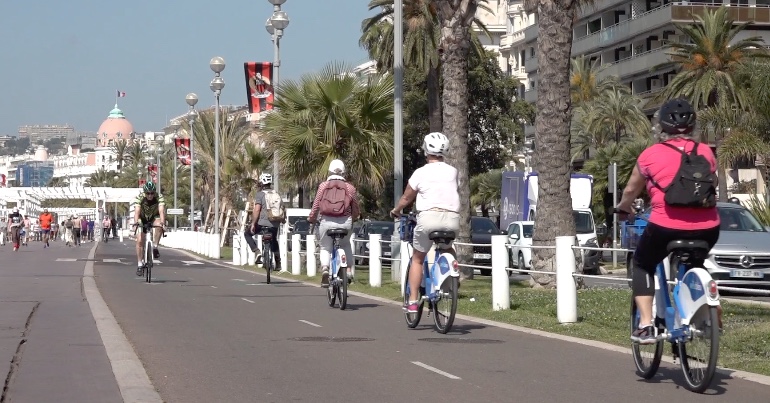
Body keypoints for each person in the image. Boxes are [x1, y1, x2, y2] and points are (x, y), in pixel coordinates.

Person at [615, 98, 720, 344]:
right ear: (693, 126)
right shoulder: (705, 151)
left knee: (642, 263)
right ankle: (710, 311)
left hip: (666, 225)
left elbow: (631, 191)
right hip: (708, 227)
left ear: (661, 126)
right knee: (697, 262)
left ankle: (645, 325)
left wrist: (623, 208)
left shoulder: (650, 155)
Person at [390, 132, 461, 313]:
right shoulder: (453, 171)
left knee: (418, 258)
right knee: (448, 247)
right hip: (452, 219)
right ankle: (450, 275)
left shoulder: (420, 173)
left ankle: (413, 300)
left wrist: (397, 210)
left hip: (429, 218)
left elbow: (407, 197)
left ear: (425, 149)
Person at [308, 159, 360, 288]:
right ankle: (348, 271)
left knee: (325, 247)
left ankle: (325, 269)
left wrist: (312, 217)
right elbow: (355, 207)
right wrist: (354, 217)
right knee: (346, 244)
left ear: (330, 170)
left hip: (326, 222)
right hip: (345, 222)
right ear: (343, 172)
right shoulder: (350, 188)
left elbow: (316, 205)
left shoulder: (323, 186)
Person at [246, 173, 284, 271]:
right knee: (274, 239)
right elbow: (282, 208)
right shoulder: (277, 194)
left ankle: (257, 252)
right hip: (275, 223)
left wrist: (253, 223)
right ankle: (278, 262)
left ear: (262, 183)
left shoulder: (260, 194)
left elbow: (257, 210)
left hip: (262, 223)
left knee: (247, 234)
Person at [133, 182, 167, 276]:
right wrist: (136, 223)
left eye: (152, 193)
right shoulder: (140, 197)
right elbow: (136, 212)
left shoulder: (159, 197)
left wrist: (163, 223)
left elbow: (161, 211)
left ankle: (155, 246)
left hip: (154, 217)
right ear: (145, 193)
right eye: (148, 193)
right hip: (142, 218)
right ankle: (140, 264)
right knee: (140, 241)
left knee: (159, 225)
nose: (150, 195)